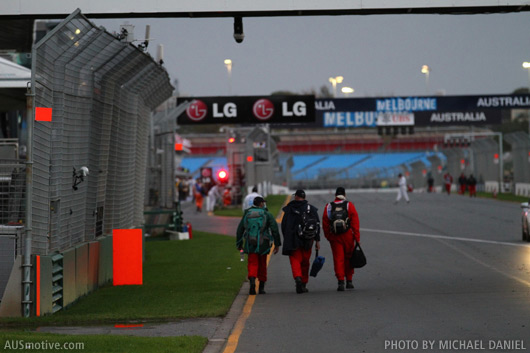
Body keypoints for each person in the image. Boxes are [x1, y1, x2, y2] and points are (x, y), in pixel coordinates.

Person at [236, 197, 281, 295]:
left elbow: (240, 230)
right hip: (263, 243)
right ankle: (261, 287)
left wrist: (239, 244)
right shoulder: (267, 214)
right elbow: (274, 229)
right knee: (262, 264)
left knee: (252, 263)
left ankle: (252, 282)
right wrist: (277, 244)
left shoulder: (247, 214)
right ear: (261, 204)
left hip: (250, 242)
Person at [281, 189, 321, 294]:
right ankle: (303, 283)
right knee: (305, 262)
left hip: (293, 239)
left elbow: (284, 225)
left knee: (295, 260)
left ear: (296, 197)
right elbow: (317, 225)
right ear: (304, 197)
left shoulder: (289, 209)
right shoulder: (311, 209)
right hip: (308, 239)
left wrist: (286, 237)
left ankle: (297, 277)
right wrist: (317, 240)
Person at [322, 187, 360, 291]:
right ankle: (349, 280)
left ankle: (340, 281)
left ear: (335, 195)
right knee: (349, 257)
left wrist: (328, 236)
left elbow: (325, 223)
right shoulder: (349, 205)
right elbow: (355, 222)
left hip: (335, 236)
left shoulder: (329, 206)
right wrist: (357, 237)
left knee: (338, 258)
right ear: (344, 194)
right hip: (347, 235)